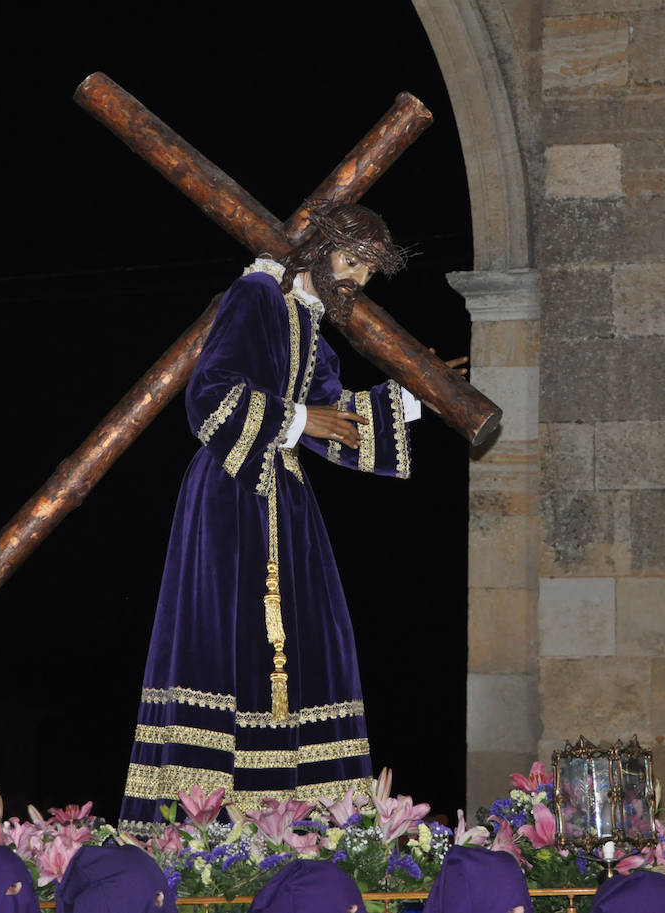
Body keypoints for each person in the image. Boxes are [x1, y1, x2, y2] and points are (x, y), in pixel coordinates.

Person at [118, 202, 463, 835]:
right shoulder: (255, 295)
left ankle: (291, 817)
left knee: (306, 641)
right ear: (320, 249)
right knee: (226, 640)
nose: (358, 279)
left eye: (367, 270)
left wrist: (418, 396)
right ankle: (205, 819)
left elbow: (333, 415)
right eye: (352, 261)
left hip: (283, 499)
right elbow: (209, 394)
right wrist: (298, 420)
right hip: (231, 496)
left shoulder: (307, 320)